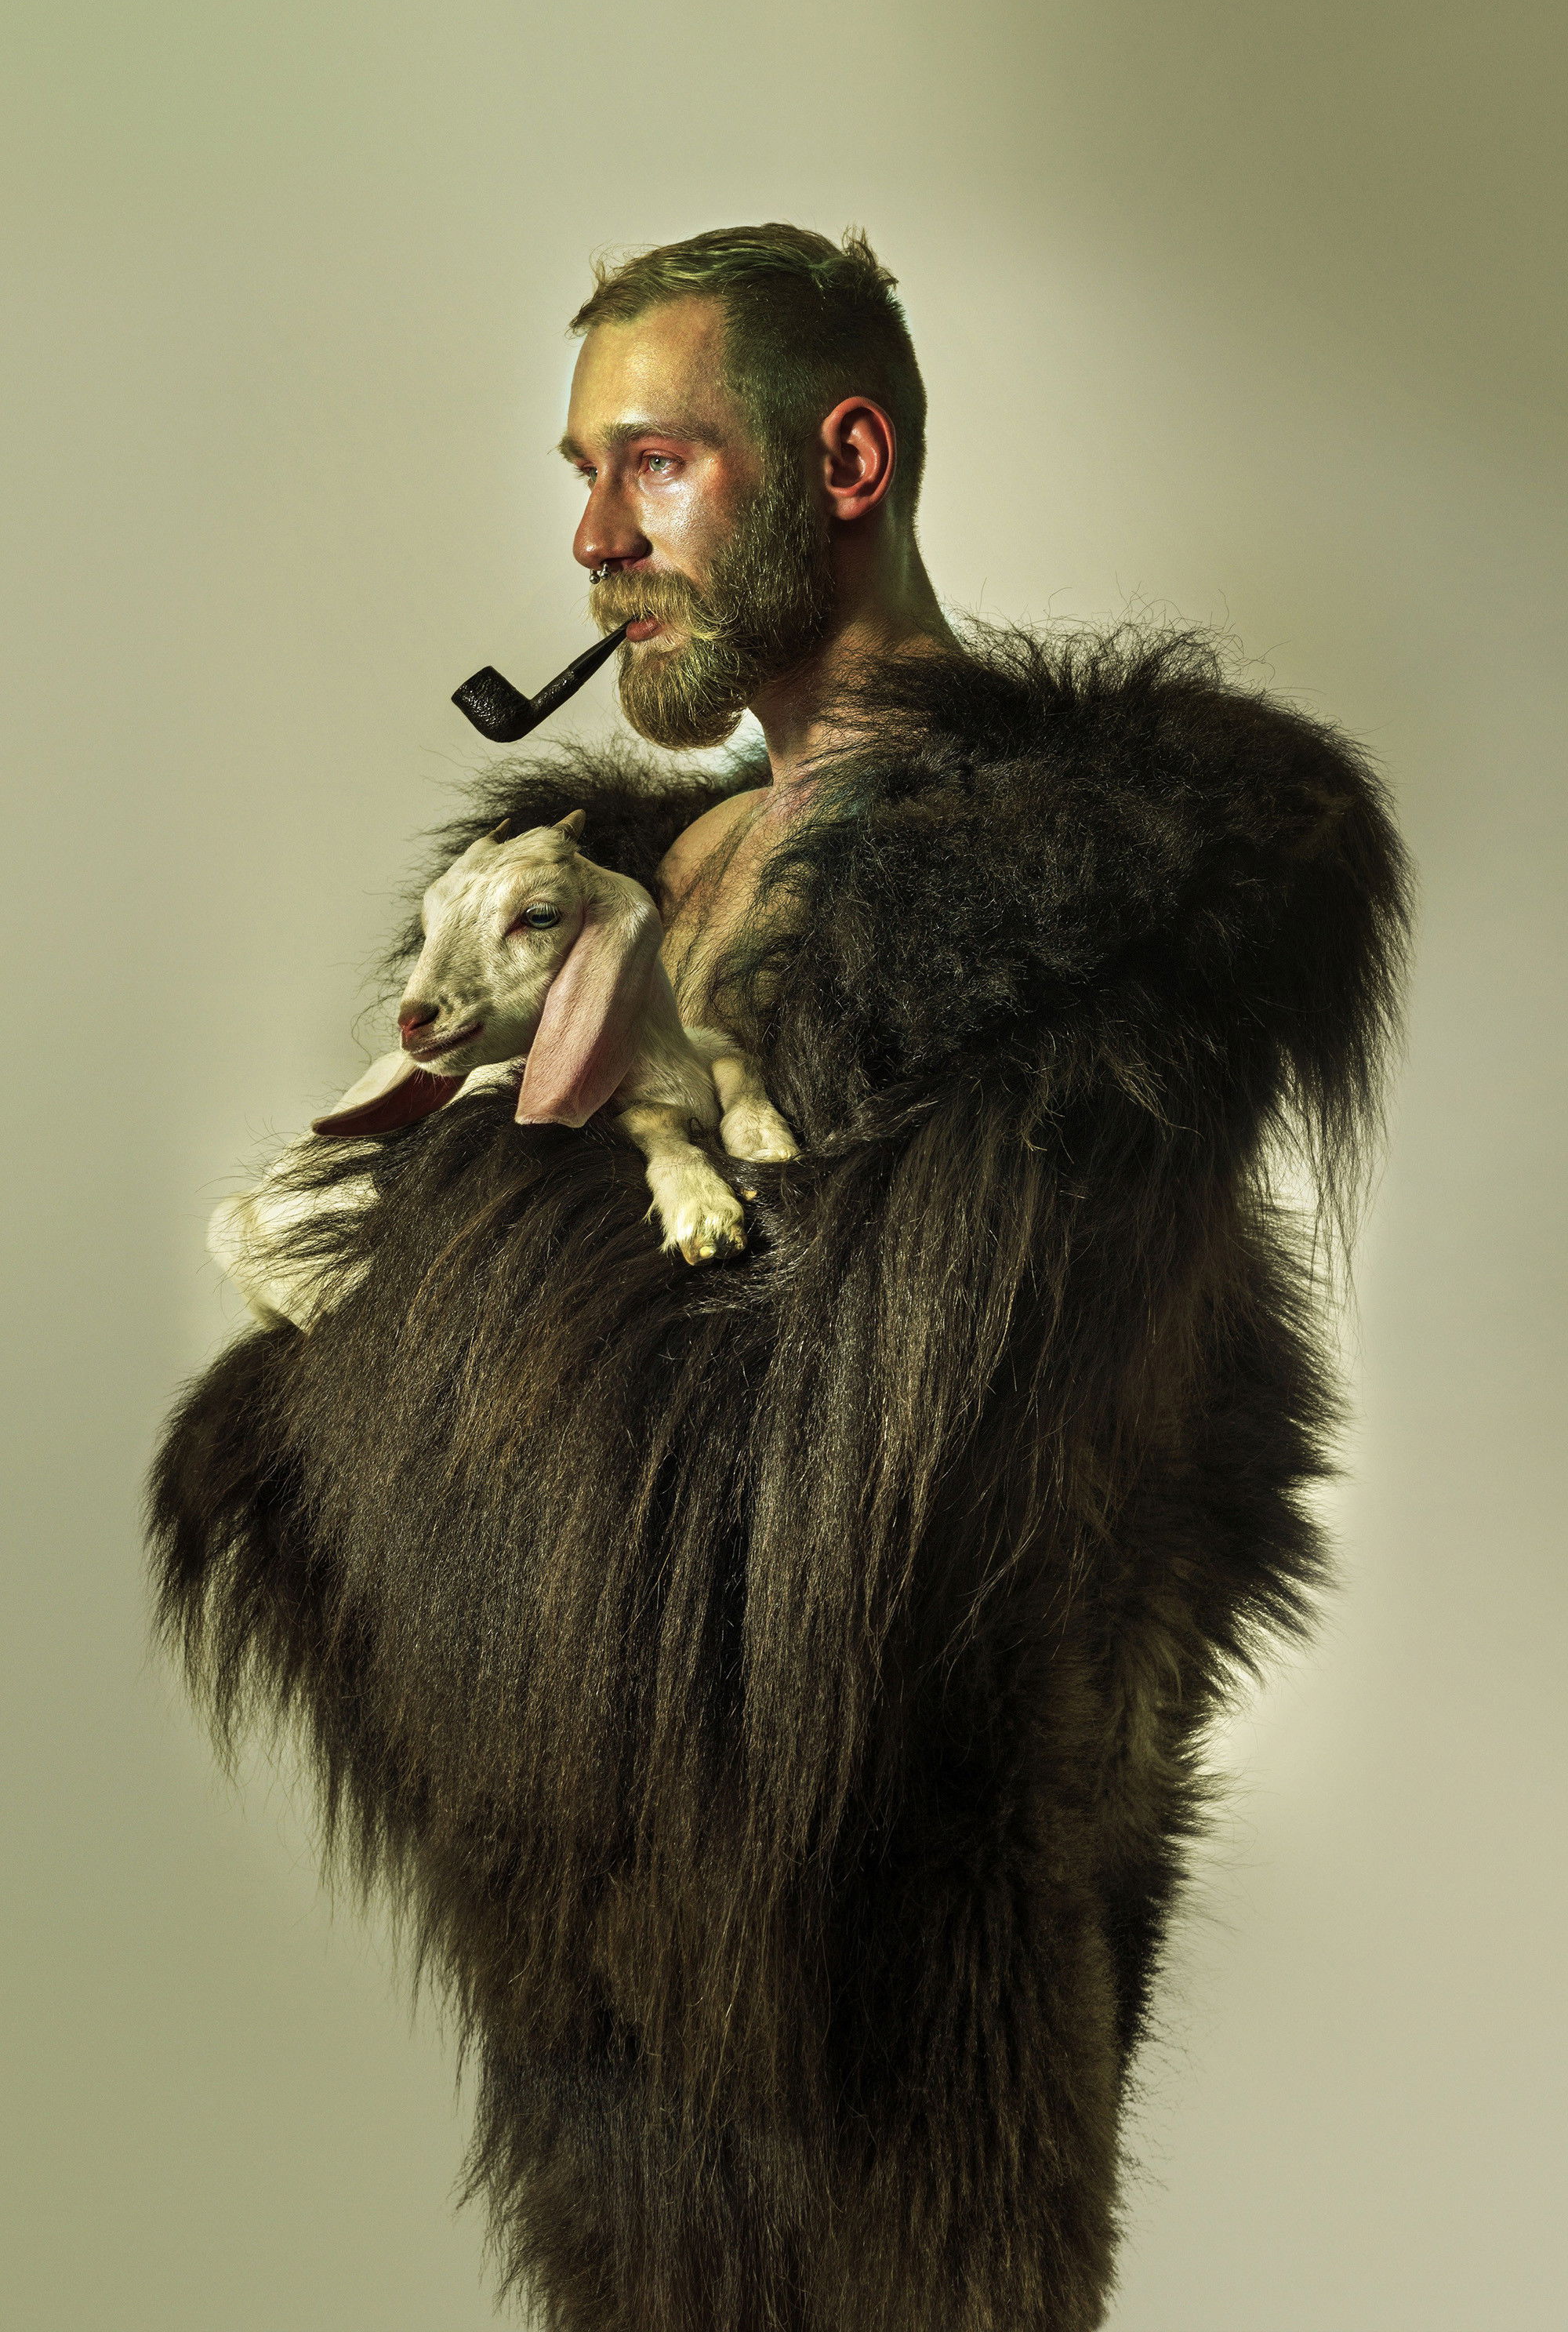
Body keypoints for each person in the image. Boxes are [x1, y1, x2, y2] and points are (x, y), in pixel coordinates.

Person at [151, 225, 1409, 2332]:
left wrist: (499, 1336)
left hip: (911, 1949)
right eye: (584, 475)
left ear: (843, 462)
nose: (595, 540)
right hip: (603, 1978)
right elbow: (442, 1415)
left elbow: (969, 1422)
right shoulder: (609, 893)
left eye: (654, 465)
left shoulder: (1113, 879)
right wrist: (343, 1350)